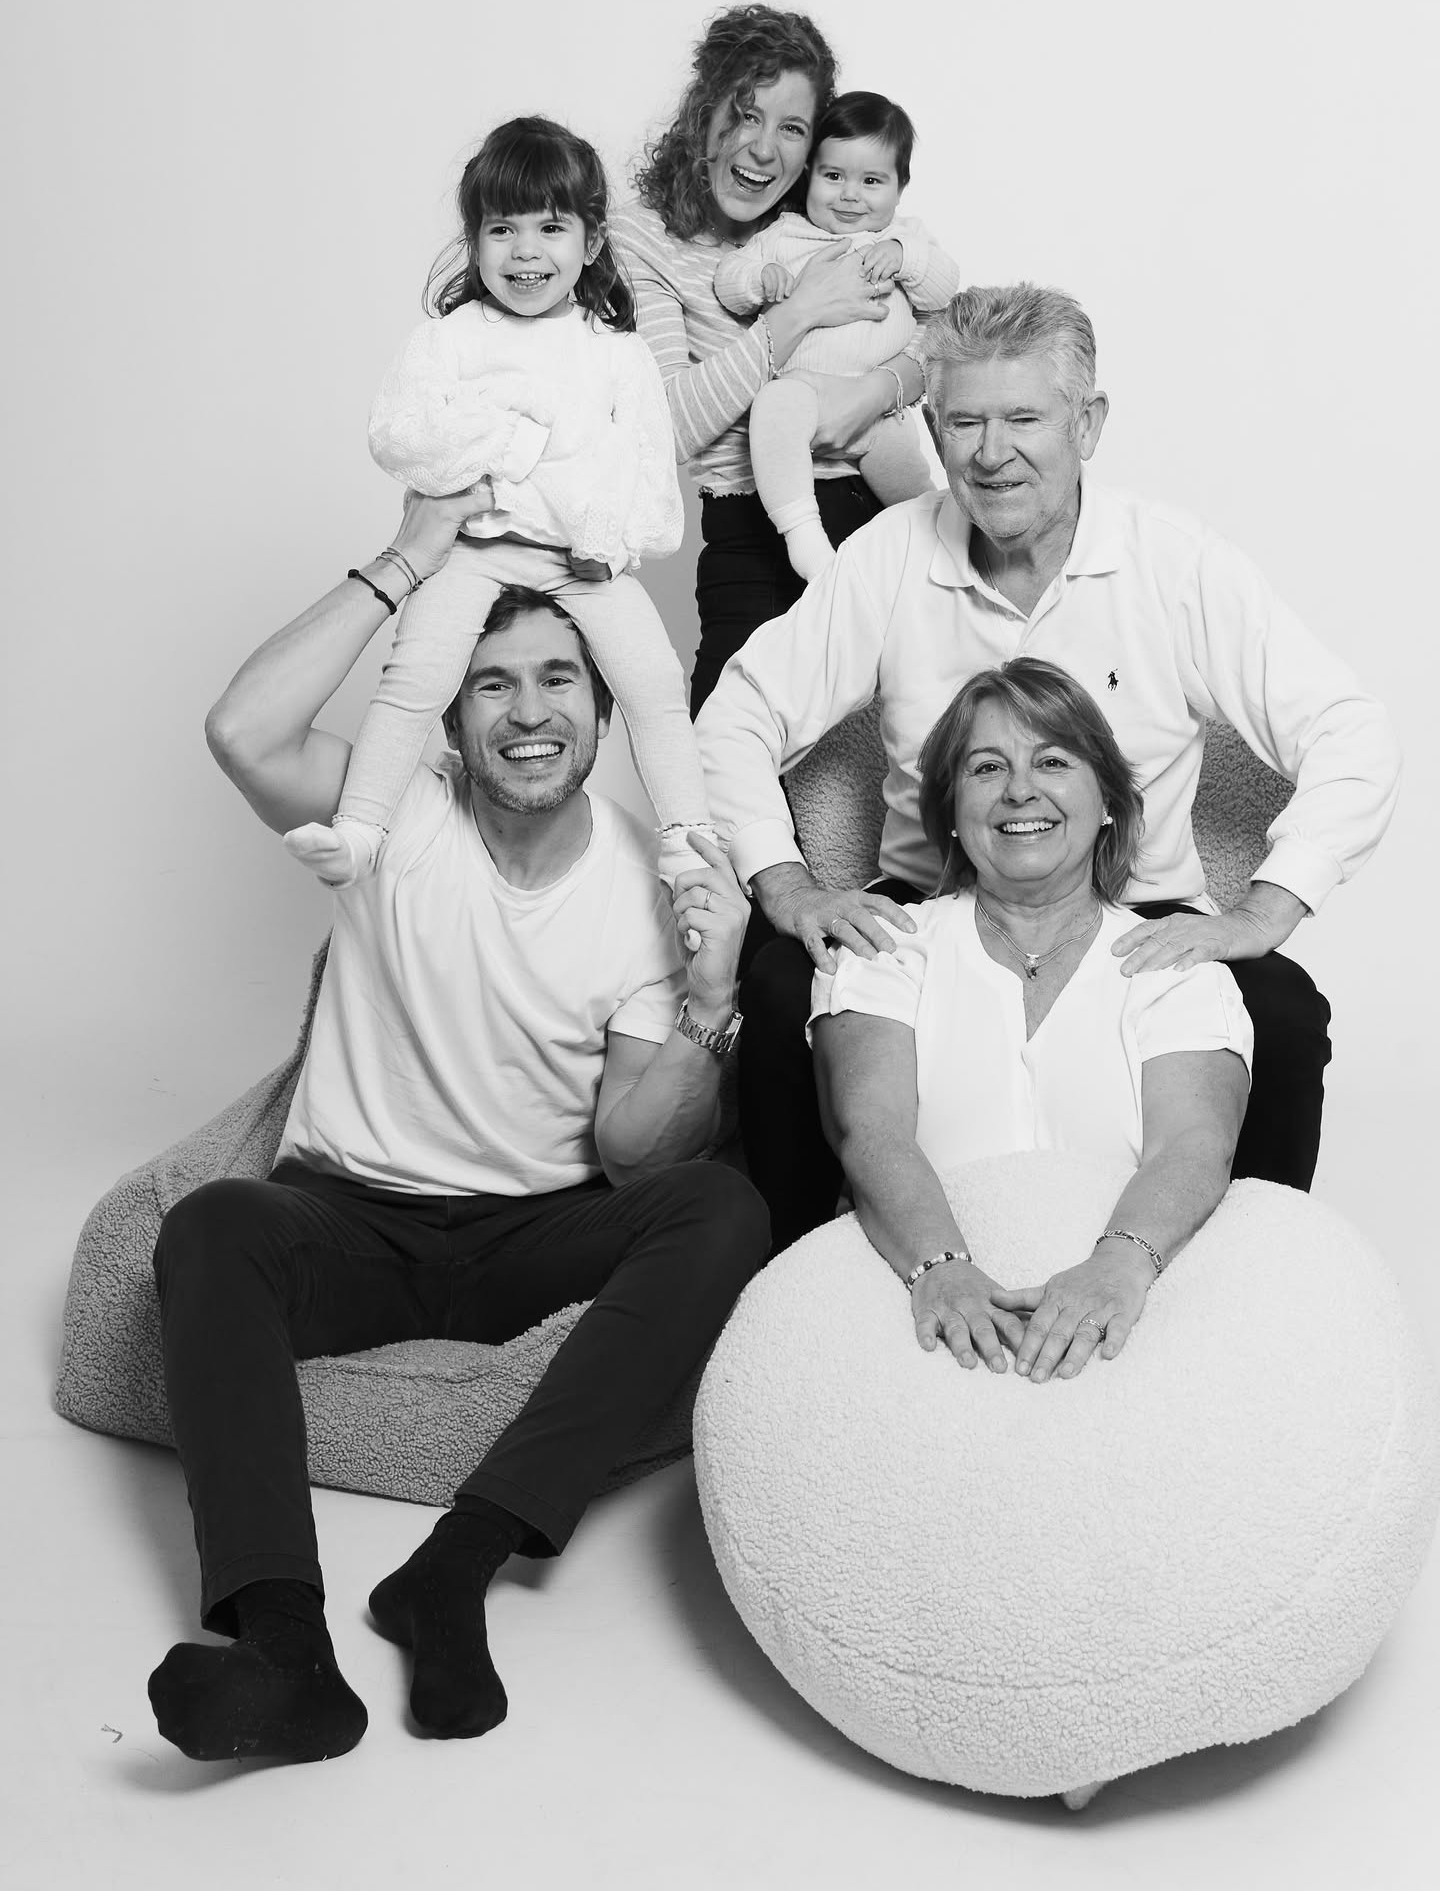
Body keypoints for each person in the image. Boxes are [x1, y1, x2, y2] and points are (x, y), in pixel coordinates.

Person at [147, 491, 768, 1764]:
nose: (529, 711)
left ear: (607, 709)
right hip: (351, 1220)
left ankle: (453, 1566)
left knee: (723, 1207)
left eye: (556, 681)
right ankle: (283, 1648)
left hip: (534, 1230)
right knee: (209, 1224)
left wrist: (712, 1005)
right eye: (491, 685)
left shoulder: (655, 879)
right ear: (447, 712)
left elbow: (639, 1156)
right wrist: (412, 556)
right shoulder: (397, 815)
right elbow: (241, 727)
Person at [696, 283, 1400, 1248]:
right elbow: (736, 714)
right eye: (963, 423)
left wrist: (1267, 910)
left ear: (1089, 424)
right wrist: (786, 888)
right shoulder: (889, 554)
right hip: (926, 904)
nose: (991, 453)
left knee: (1280, 1008)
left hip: (1137, 914)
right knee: (782, 992)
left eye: (1024, 417)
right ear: (933, 432)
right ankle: (805, 1286)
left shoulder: (1173, 561)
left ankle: (1247, 1288)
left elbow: (1352, 732)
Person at [284, 114, 715, 896]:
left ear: (589, 243)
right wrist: (512, 441)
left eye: (550, 227)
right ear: (474, 241)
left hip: (583, 558)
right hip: (474, 551)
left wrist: (611, 543)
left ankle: (689, 834)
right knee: (413, 679)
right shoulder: (447, 343)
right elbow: (399, 438)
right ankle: (360, 830)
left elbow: (651, 473)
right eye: (501, 229)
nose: (524, 252)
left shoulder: (616, 355)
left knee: (655, 685)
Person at [813, 658, 1251, 1383]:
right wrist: (942, 1270)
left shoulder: (1180, 963)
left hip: (1132, 1326)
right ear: (951, 812)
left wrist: (1114, 1271)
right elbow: (871, 1130)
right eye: (986, 768)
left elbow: (1195, 1147)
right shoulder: (887, 947)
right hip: (923, 1320)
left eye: (1052, 760)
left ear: (1107, 798)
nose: (1021, 789)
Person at [610, 3, 929, 712]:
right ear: (703, 111)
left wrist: (878, 389)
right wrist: (797, 313)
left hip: (876, 501)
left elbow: (940, 331)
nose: (763, 149)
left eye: (791, 128)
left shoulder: (835, 216)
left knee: (917, 739)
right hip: (753, 525)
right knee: (721, 739)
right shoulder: (643, 240)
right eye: (745, 114)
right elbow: (667, 429)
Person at [713, 89, 955, 584]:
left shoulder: (906, 237)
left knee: (922, 504)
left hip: (881, 413)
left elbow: (944, 290)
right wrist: (763, 278)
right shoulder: (785, 235)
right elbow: (728, 279)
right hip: (805, 396)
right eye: (833, 176)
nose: (850, 195)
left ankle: (950, 550)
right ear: (809, 176)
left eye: (871, 181)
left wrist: (905, 255)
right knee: (774, 406)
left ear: (900, 187)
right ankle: (803, 535)